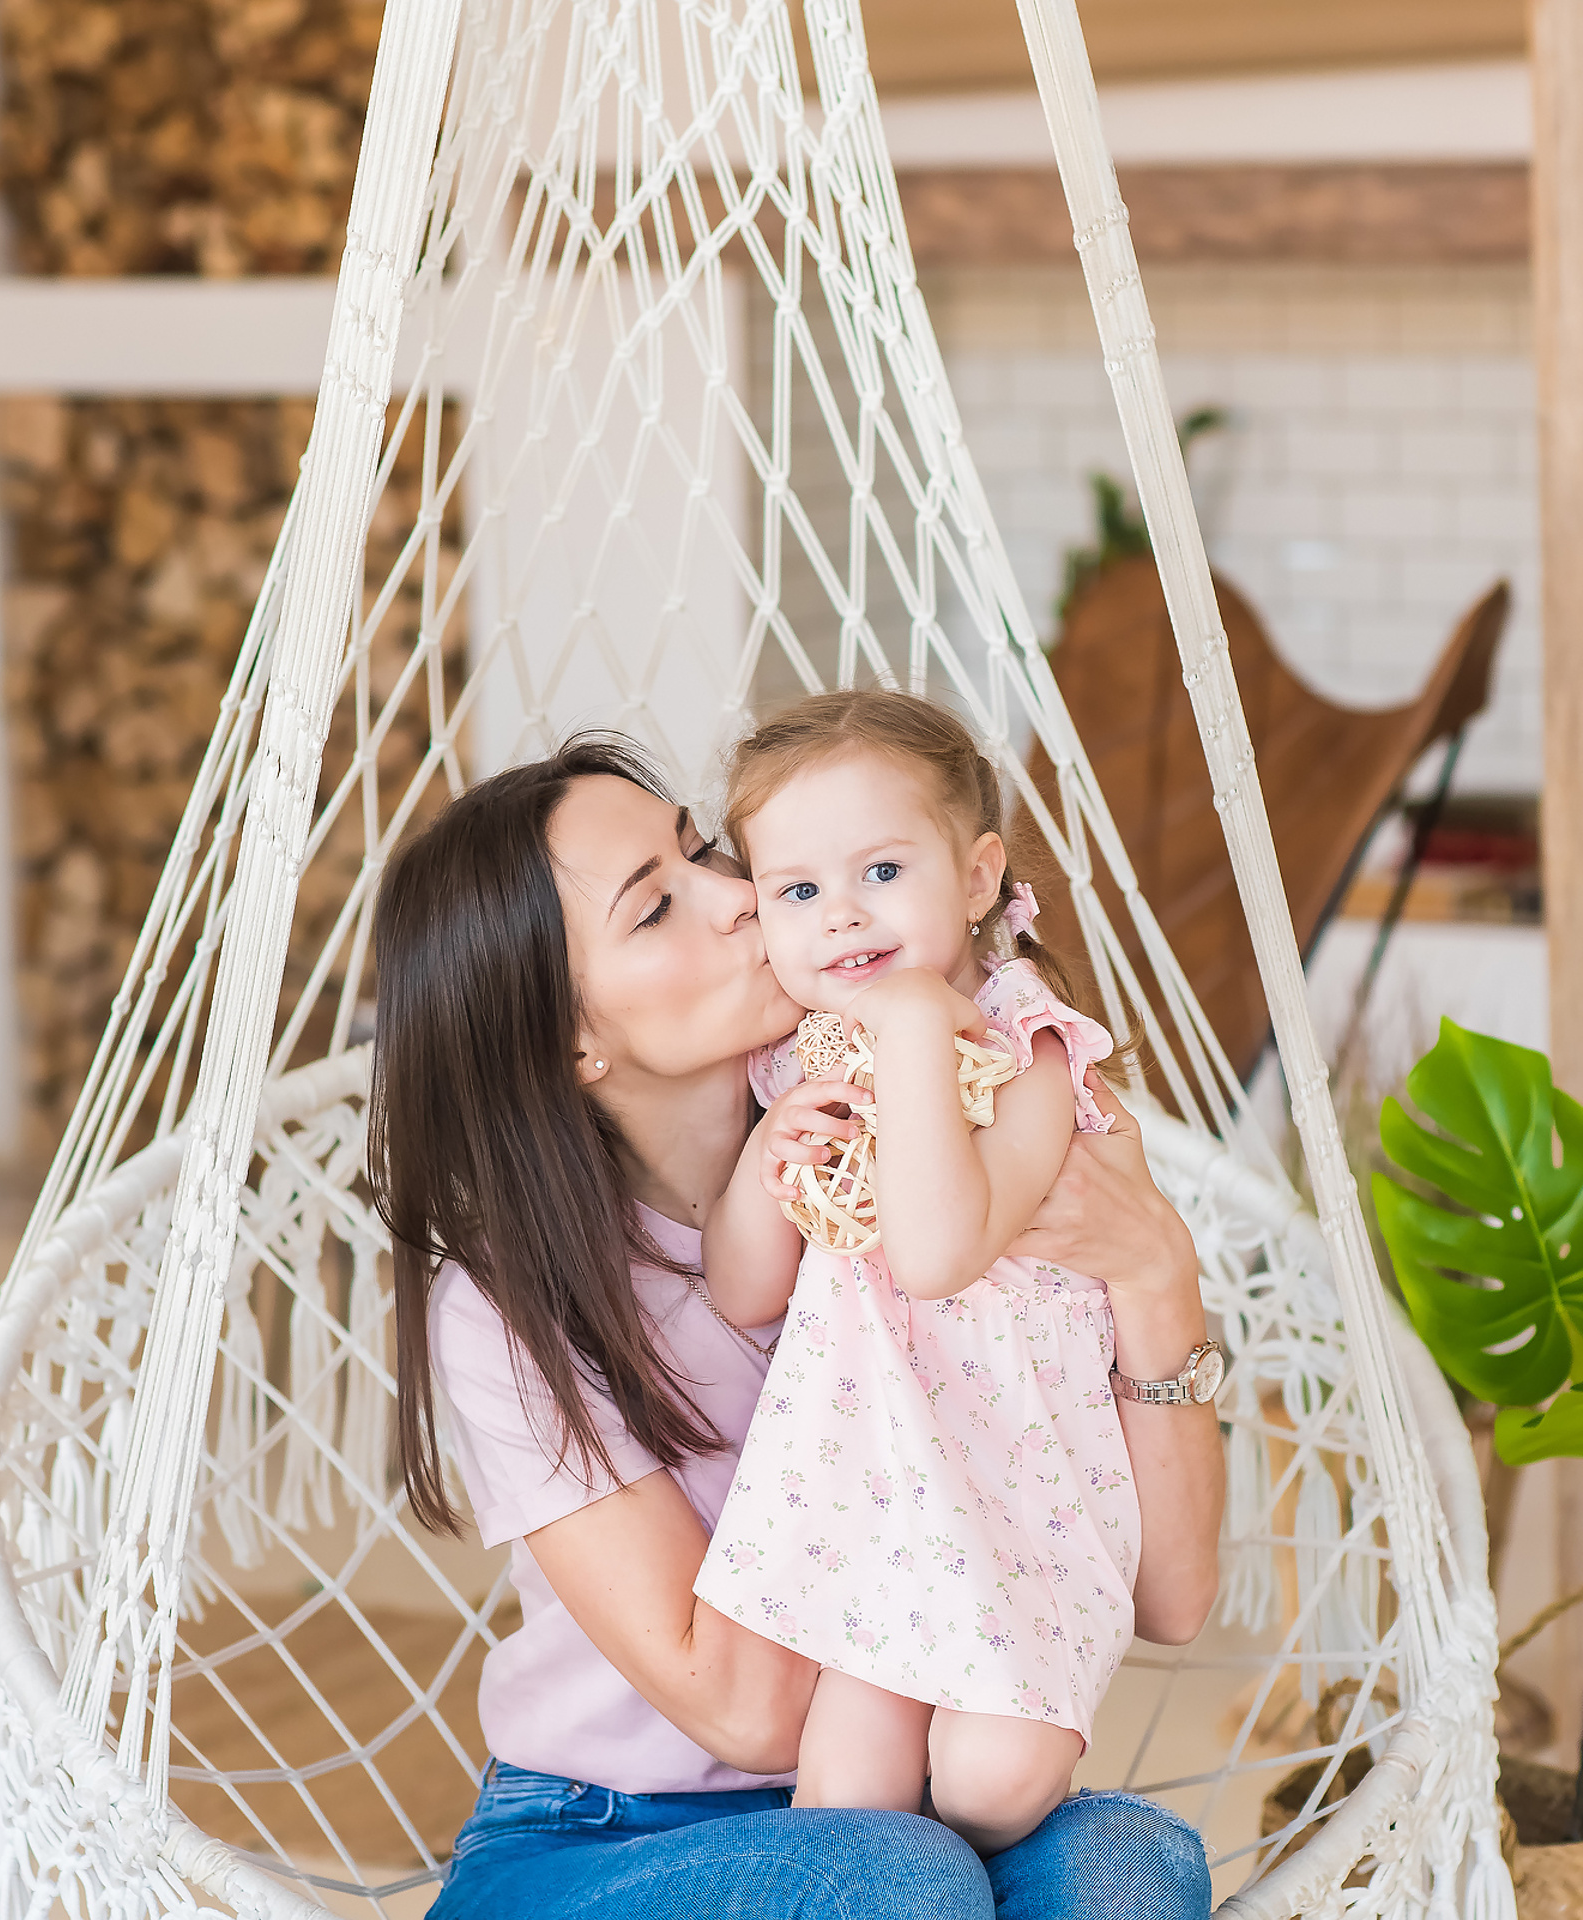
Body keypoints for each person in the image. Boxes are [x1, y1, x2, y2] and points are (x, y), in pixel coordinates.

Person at [368, 731, 1224, 1920]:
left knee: (1130, 1866)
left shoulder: (961, 1157)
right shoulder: (513, 1305)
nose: (742, 898)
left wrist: (1157, 1275)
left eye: (706, 851)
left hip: (896, 1799)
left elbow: (1171, 1600)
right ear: (573, 1041)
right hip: (603, 1839)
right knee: (890, 1875)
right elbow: (754, 1710)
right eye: (657, 908)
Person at [694, 691, 1209, 1853]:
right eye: (799, 891)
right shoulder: (802, 1059)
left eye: (882, 871)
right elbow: (744, 1291)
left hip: (1023, 1482)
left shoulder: (1023, 1045)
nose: (842, 918)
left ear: (978, 880)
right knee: (848, 1796)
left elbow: (936, 1253)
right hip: (879, 1484)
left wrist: (917, 1028)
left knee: (992, 1777)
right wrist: (765, 1163)